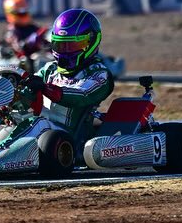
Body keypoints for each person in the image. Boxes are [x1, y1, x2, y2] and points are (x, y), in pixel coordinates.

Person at [20, 7, 115, 143]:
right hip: (44, 133)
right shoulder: (50, 69)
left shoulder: (99, 74)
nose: (65, 52)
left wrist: (46, 88)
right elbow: (30, 89)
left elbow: (81, 95)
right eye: (60, 45)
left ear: (91, 42)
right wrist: (19, 88)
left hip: (70, 139)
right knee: (7, 123)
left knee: (38, 124)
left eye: (72, 46)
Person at [0, 0, 49, 72]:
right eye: (20, 13)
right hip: (23, 63)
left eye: (25, 12)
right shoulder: (12, 32)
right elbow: (21, 48)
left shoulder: (34, 28)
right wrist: (37, 37)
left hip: (38, 56)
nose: (23, 15)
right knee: (37, 59)